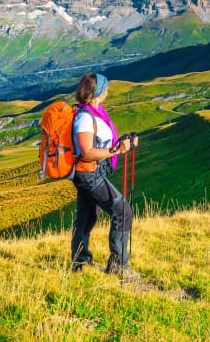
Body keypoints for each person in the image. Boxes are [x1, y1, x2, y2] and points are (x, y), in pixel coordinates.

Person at [70, 72, 139, 283]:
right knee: (123, 211)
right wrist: (116, 151)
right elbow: (87, 152)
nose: (108, 90)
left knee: (87, 217)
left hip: (91, 171)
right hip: (88, 173)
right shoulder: (84, 117)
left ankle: (80, 263)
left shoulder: (96, 112)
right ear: (98, 92)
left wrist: (122, 143)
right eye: (105, 87)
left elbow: (102, 143)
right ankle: (118, 266)